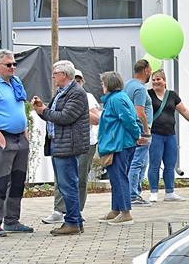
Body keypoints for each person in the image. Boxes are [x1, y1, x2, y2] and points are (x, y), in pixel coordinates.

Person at [32, 60, 90, 235]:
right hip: (59, 144)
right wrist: (41, 109)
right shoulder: (61, 92)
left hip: (68, 145)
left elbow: (66, 117)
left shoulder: (76, 93)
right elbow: (52, 115)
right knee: (67, 185)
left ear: (64, 74)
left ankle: (72, 222)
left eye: (55, 74)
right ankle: (76, 221)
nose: (53, 77)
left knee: (68, 185)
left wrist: (44, 110)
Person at [0, 49, 33, 237]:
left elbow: (21, 108)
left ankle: (12, 220)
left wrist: (25, 132)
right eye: (8, 65)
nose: (13, 67)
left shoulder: (16, 83)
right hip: (4, 138)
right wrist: (1, 140)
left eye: (14, 64)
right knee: (1, 181)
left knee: (18, 180)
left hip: (20, 137)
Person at [42, 73, 100, 224]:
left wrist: (79, 110)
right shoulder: (60, 95)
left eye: (79, 79)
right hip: (63, 142)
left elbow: (97, 120)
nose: (77, 81)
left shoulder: (86, 97)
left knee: (79, 179)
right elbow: (53, 115)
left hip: (85, 143)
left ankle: (76, 212)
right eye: (74, 79)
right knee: (62, 178)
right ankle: (59, 210)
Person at [97, 71, 141, 225]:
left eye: (103, 83)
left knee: (119, 177)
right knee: (115, 178)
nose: (102, 86)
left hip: (120, 144)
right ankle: (116, 209)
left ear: (109, 84)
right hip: (119, 143)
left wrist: (136, 135)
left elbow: (128, 119)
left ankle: (125, 212)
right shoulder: (116, 98)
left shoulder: (116, 99)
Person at [147, 69, 189, 202]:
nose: (155, 81)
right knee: (154, 164)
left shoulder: (172, 95)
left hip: (170, 135)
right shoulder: (148, 95)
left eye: (158, 79)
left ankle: (170, 192)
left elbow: (184, 110)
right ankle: (153, 192)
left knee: (170, 164)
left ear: (164, 81)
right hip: (155, 134)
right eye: (153, 79)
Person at [123, 59, 154, 206]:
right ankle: (133, 195)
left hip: (132, 130)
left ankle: (133, 193)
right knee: (138, 162)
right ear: (146, 70)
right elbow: (140, 112)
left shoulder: (128, 84)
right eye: (150, 70)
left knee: (138, 162)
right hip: (140, 130)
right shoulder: (140, 89)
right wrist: (146, 130)